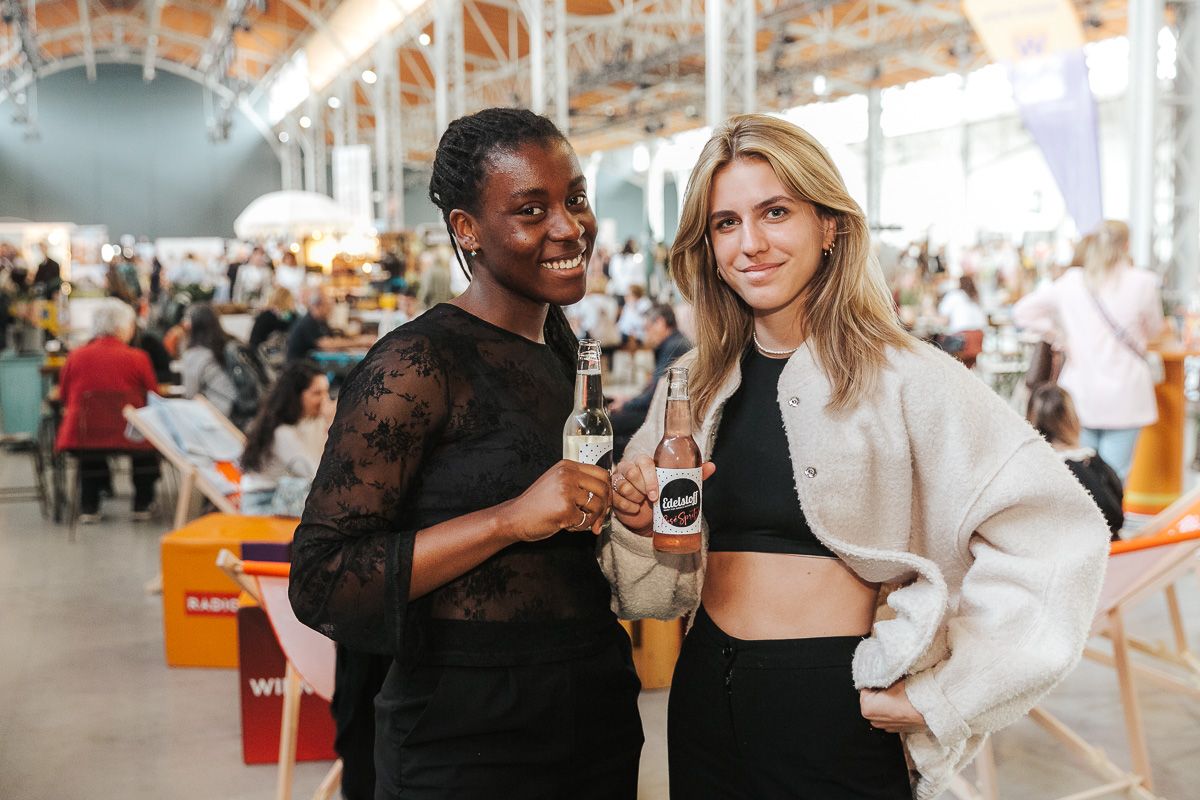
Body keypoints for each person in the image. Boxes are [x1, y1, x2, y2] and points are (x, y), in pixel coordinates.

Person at [602, 114, 1110, 800]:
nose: (750, 244)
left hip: (833, 706)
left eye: (775, 212)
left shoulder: (909, 377)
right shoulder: (692, 384)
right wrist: (635, 524)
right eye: (725, 223)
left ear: (829, 225)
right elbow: (651, 590)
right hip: (700, 697)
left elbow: (1056, 534)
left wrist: (947, 694)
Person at [289, 107, 642, 800]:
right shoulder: (418, 364)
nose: (569, 227)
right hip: (464, 739)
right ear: (467, 229)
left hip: (591, 713)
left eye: (574, 199)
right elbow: (323, 577)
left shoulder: (562, 349)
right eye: (531, 210)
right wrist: (509, 519)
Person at [1013, 220, 1166, 482]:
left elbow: (1022, 311)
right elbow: (1154, 330)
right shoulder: (1142, 282)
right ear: (1127, 244)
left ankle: (1085, 521)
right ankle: (1109, 523)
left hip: (1080, 393)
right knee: (1114, 477)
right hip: (1126, 394)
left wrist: (1058, 334)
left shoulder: (1072, 282)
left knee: (1079, 470)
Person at [54, 298, 160, 523]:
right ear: (122, 327)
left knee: (91, 444)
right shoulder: (138, 358)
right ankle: (142, 503)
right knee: (146, 442)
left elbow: (63, 396)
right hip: (132, 436)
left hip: (83, 435)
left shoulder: (75, 357)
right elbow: (154, 397)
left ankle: (89, 505)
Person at [1027, 383, 1124, 537]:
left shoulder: (1029, 468)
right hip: (1106, 550)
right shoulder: (1091, 463)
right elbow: (1114, 518)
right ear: (1072, 419)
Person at [239, 362, 333, 515]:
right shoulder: (282, 433)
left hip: (281, 497)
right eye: (317, 393)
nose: (325, 400)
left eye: (326, 392)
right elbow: (316, 474)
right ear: (297, 396)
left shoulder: (301, 424)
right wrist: (332, 423)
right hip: (264, 504)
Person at [610, 303, 692, 461]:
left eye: (647, 327)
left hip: (663, 416)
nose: (646, 334)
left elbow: (655, 396)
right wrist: (628, 400)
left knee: (608, 425)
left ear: (660, 323)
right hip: (661, 411)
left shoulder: (674, 347)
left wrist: (626, 405)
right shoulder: (675, 342)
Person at [180, 303, 237, 418]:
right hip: (239, 410)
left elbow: (191, 394)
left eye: (186, 318)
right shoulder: (230, 343)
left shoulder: (195, 354)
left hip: (216, 415)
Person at [249, 286, 296, 353]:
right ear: (288, 300)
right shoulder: (290, 317)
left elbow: (253, 341)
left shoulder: (265, 315)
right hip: (271, 355)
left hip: (257, 353)